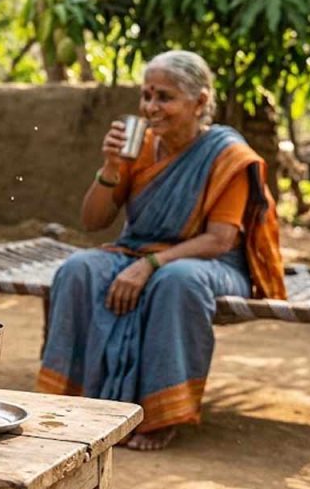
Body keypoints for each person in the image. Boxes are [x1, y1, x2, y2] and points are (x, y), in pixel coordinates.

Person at [36, 50, 286, 451]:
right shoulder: (139, 147)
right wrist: (110, 167)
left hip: (212, 262)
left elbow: (220, 240)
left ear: (200, 102)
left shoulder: (228, 156)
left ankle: (159, 417)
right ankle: (75, 405)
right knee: (77, 269)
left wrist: (151, 265)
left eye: (164, 97)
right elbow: (93, 221)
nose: (151, 107)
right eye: (147, 95)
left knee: (175, 279)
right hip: (137, 251)